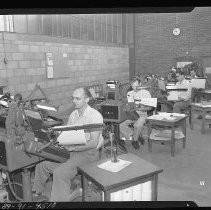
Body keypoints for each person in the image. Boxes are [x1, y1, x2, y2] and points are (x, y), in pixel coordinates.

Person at [32, 87, 104, 202]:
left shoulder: (95, 116)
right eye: (73, 98)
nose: (74, 101)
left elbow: (93, 143)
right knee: (42, 165)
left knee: (60, 172)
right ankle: (37, 194)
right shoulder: (74, 114)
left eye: (77, 99)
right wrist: (56, 135)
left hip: (87, 154)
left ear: (87, 99)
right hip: (72, 152)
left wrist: (74, 148)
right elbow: (67, 133)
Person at [120, 78, 152, 150]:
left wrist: (140, 108)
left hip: (142, 114)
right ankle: (134, 136)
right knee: (120, 125)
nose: (134, 88)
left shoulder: (146, 93)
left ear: (140, 84)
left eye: (136, 86)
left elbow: (150, 108)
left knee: (137, 125)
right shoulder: (129, 93)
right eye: (133, 86)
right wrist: (127, 108)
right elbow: (130, 106)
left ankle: (135, 140)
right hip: (132, 114)